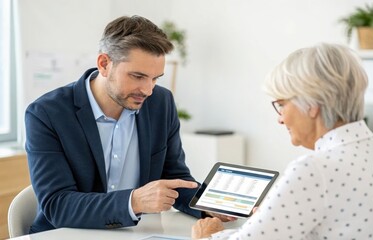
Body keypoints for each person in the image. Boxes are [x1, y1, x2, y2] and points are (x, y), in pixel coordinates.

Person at [25, 15, 232, 234]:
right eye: (137, 76)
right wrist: (134, 202)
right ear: (104, 64)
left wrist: (210, 205)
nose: (147, 90)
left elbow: (174, 177)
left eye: (155, 78)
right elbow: (58, 205)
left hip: (136, 233)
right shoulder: (46, 114)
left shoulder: (161, 103)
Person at [191, 43, 373, 239]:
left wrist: (208, 235)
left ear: (311, 104)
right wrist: (273, 219)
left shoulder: (314, 169)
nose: (280, 119)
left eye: (281, 104)